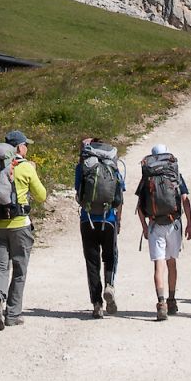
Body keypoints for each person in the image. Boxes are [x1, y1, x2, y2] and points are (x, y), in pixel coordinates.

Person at [0, 128, 47, 330]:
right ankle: (12, 314)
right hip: (19, 226)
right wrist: (33, 170)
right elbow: (42, 196)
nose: (27, 148)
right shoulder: (25, 167)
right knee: (19, 270)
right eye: (26, 144)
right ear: (19, 147)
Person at [133, 143, 191, 320]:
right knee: (171, 263)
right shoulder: (174, 174)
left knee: (158, 265)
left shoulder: (147, 176)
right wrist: (190, 223)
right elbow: (185, 199)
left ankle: (161, 302)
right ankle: (172, 299)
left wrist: (144, 227)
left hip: (155, 225)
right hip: (173, 224)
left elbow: (140, 207)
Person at [73, 136, 125, 318]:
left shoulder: (83, 167)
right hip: (109, 219)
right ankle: (110, 285)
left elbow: (78, 193)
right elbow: (119, 197)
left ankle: (97, 304)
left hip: (87, 220)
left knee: (92, 262)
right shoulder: (113, 166)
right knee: (110, 256)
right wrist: (118, 220)